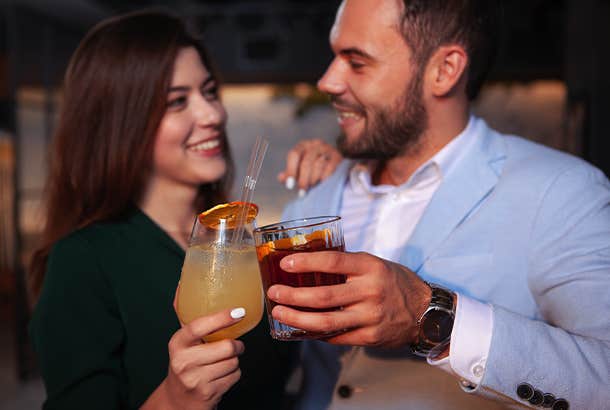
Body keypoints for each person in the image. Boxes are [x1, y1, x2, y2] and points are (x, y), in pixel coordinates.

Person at [271, 0, 610, 409]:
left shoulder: (562, 191)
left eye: (356, 62)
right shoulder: (316, 197)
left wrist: (433, 317)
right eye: (334, 56)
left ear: (444, 70)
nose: (327, 81)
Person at [27, 10, 338, 410]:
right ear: (120, 123)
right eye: (177, 102)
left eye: (209, 92)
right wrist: (174, 400)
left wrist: (341, 182)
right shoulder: (82, 260)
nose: (212, 115)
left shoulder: (239, 242)